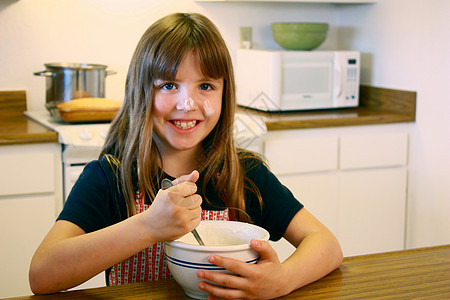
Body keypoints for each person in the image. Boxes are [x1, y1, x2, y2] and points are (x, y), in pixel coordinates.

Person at [29, 12, 343, 299]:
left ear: (224, 94)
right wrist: (148, 227)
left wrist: (283, 278)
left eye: (205, 85)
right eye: (168, 85)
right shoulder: (108, 178)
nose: (187, 103)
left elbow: (326, 245)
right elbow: (42, 274)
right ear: (141, 91)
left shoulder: (246, 174)